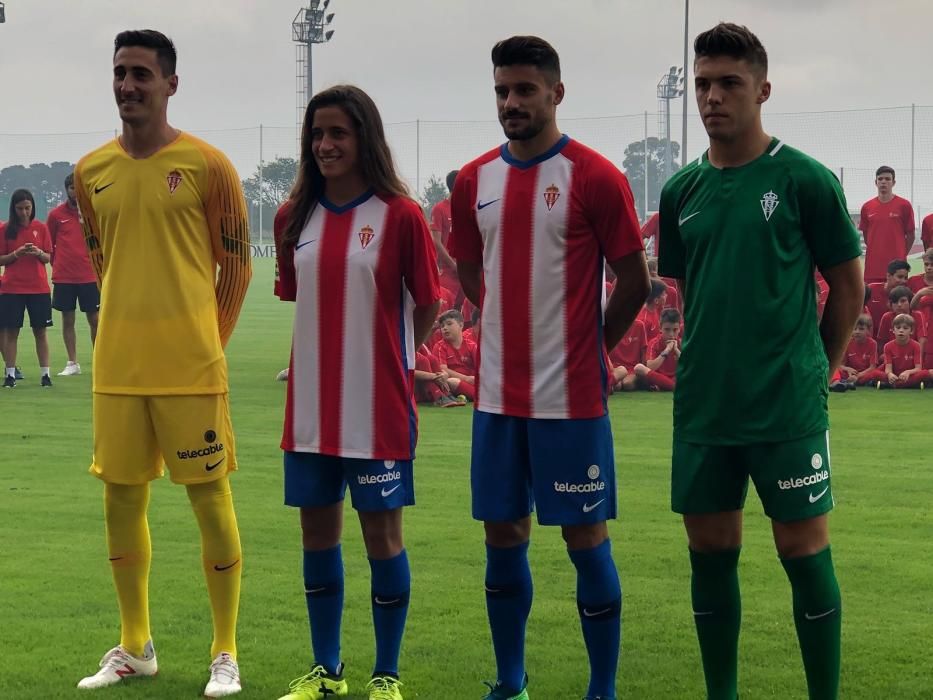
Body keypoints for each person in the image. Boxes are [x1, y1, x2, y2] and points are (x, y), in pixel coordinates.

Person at [658, 23, 863, 700]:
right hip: (705, 409)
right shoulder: (680, 192)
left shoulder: (802, 178)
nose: (711, 97)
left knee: (803, 555)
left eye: (728, 83)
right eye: (702, 85)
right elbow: (692, 293)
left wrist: (816, 370)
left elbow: (848, 284)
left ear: (762, 89)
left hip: (786, 407)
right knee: (710, 556)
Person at [450, 35, 649, 700]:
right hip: (497, 399)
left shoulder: (594, 176)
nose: (510, 102)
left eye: (524, 90)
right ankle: (510, 682)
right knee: (502, 534)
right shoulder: (473, 180)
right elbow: (474, 273)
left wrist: (591, 346)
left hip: (571, 399)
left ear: (555, 94)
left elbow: (632, 280)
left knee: (584, 539)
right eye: (502, 91)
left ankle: (602, 689)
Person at [73, 30, 252, 697]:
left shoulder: (208, 165)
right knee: (121, 496)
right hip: (116, 367)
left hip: (191, 367)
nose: (128, 85)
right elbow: (102, 260)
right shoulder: (90, 170)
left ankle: (225, 652)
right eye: (120, 72)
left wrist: (209, 342)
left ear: (170, 84)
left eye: (142, 73)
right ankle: (135, 646)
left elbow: (235, 267)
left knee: (209, 498)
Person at [273, 84, 440, 700]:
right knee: (317, 537)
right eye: (317, 134)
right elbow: (300, 300)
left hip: (377, 413)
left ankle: (386, 676)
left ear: (364, 137)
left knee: (382, 539)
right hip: (311, 412)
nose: (325, 145)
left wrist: (396, 359)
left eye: (338, 133)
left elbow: (427, 303)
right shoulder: (294, 217)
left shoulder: (400, 215)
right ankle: (327, 672)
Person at [0, 188, 54, 388]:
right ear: (14, 209)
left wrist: (38, 252)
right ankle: (11, 374)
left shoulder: (41, 227)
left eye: (28, 208)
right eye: (20, 208)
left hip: (38, 288)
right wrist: (17, 254)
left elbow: (48, 257)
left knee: (40, 332)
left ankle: (46, 375)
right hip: (12, 288)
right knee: (11, 332)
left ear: (33, 207)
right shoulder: (5, 230)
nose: (24, 212)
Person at [48, 172, 100, 376]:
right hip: (64, 277)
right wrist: (58, 264)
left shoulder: (92, 212)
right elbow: (49, 244)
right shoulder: (55, 215)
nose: (75, 192)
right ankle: (72, 363)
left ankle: (98, 362)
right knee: (67, 319)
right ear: (66, 189)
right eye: (72, 188)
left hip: (89, 275)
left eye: (78, 188)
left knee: (94, 319)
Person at [859, 166, 915, 284]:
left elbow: (911, 235)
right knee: (873, 300)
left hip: (897, 267)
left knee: (897, 300)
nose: (883, 182)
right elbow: (866, 235)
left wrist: (901, 254)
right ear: (876, 182)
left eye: (887, 179)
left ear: (893, 182)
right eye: (880, 179)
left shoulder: (904, 205)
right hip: (873, 267)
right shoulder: (867, 207)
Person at [430, 170, 461, 303]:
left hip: (465, 273)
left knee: (464, 318)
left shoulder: (467, 208)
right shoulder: (440, 209)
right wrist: (453, 266)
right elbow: (436, 242)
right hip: (448, 273)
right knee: (447, 316)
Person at [432, 309, 477, 402]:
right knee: (452, 382)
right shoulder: (440, 346)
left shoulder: (471, 345)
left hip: (473, 382)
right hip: (455, 382)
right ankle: (480, 397)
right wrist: (466, 378)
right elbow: (442, 369)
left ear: (461, 325)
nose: (444, 328)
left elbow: (482, 368)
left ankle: (475, 395)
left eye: (449, 324)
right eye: (442, 326)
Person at [633, 308, 681, 391]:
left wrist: (676, 350)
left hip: (675, 378)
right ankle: (672, 386)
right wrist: (666, 351)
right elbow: (650, 367)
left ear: (679, 329)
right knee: (639, 368)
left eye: (675, 330)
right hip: (658, 377)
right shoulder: (654, 343)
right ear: (660, 328)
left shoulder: (682, 342)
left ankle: (665, 386)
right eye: (667, 330)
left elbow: (689, 366)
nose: (671, 334)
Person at [875, 314, 927, 389]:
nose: (901, 330)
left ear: (911, 331)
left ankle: (891, 385)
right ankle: (911, 385)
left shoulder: (916, 346)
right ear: (893, 330)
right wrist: (890, 374)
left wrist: (908, 372)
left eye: (905, 328)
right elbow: (888, 367)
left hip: (909, 375)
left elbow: (918, 368)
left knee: (924, 373)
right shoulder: (887, 346)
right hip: (894, 374)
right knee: (874, 373)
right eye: (898, 328)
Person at [875, 285, 926, 351]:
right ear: (891, 304)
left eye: (903, 301)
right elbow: (881, 342)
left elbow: (922, 340)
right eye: (895, 302)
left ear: (910, 301)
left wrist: (919, 359)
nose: (899, 305)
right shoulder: (887, 317)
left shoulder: (918, 315)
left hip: (913, 354)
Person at [866, 259, 910, 331]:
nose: (903, 281)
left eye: (905, 278)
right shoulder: (871, 289)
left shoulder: (906, 295)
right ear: (888, 276)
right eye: (900, 277)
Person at [608, 318, 647, 392]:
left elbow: (643, 352)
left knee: (628, 384)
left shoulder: (639, 325)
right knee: (617, 386)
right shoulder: (610, 325)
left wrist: (641, 373)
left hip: (633, 368)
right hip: (617, 368)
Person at [840, 314, 879, 387]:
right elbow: (840, 365)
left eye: (861, 329)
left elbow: (872, 367)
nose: (857, 332)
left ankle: (850, 382)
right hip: (850, 373)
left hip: (864, 373)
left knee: (875, 373)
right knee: (835, 370)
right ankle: (844, 382)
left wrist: (858, 376)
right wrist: (848, 369)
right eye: (854, 329)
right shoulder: (847, 343)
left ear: (868, 330)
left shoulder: (873, 343)